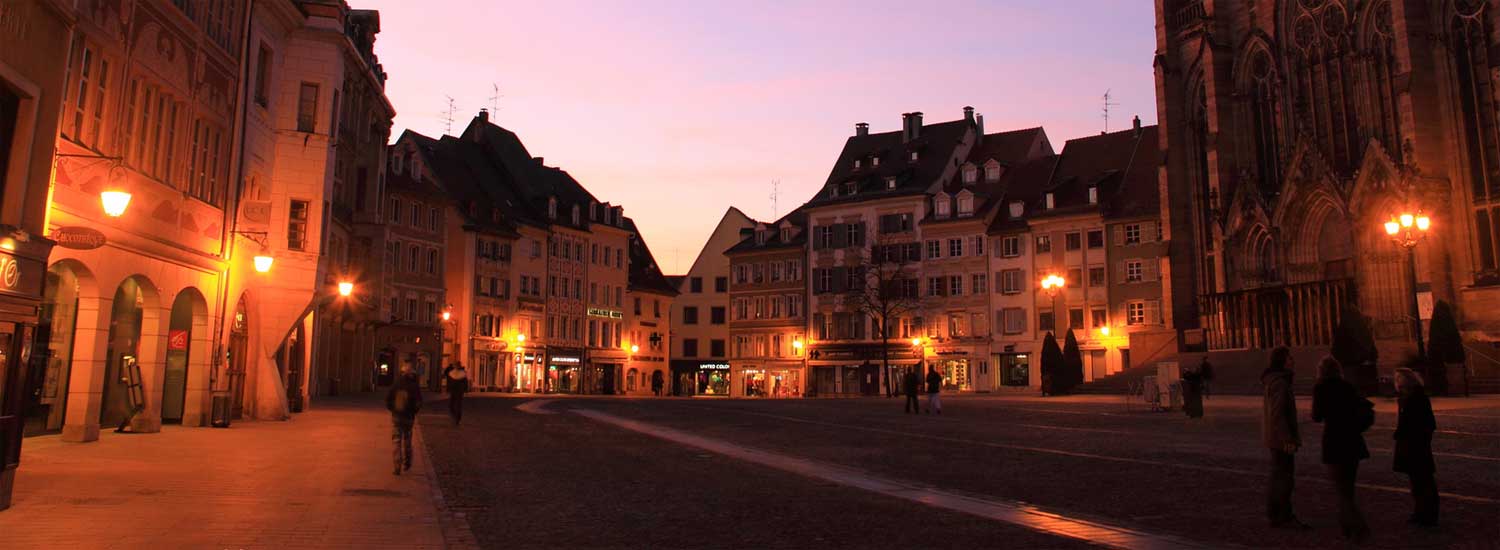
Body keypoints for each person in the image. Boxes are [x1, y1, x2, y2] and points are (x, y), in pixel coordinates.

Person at [1312, 356, 1372, 542]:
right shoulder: (1347, 386)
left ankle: (1358, 526)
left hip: (1334, 442)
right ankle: (1347, 526)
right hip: (1352, 441)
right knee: (1348, 488)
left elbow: (1316, 416)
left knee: (1342, 490)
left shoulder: (1321, 388)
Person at [1261, 346, 1306, 529]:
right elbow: (1278, 414)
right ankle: (1283, 516)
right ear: (1282, 361)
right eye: (1289, 358)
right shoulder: (1280, 383)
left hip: (1275, 437)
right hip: (1281, 439)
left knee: (1278, 476)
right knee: (1284, 478)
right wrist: (1287, 438)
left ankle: (1276, 514)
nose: (1293, 361)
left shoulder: (1274, 381)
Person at [1393, 368, 1439, 527]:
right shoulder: (1409, 398)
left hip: (1416, 446)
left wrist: (1406, 434)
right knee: (1418, 481)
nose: (1397, 384)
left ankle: (1427, 514)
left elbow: (1425, 424)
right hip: (1414, 445)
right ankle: (1422, 512)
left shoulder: (1416, 398)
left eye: (1398, 380)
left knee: (1422, 481)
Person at [385, 368, 423, 475]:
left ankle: (397, 466)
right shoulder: (414, 387)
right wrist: (414, 412)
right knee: (407, 439)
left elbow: (388, 400)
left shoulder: (396, 385)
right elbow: (419, 402)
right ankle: (407, 462)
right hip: (409, 417)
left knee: (396, 440)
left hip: (397, 416)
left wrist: (393, 410)